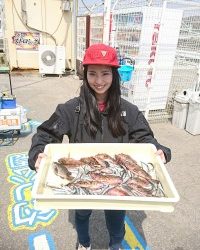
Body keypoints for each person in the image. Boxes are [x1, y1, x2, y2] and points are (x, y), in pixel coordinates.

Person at [28, 43, 171, 250]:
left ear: (114, 75)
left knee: (116, 216)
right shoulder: (71, 109)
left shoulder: (129, 111)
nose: (99, 81)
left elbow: (146, 140)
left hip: (116, 178)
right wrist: (37, 154)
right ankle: (84, 243)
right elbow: (45, 134)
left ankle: (115, 244)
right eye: (92, 74)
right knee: (82, 213)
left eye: (105, 74)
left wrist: (161, 151)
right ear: (85, 75)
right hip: (82, 175)